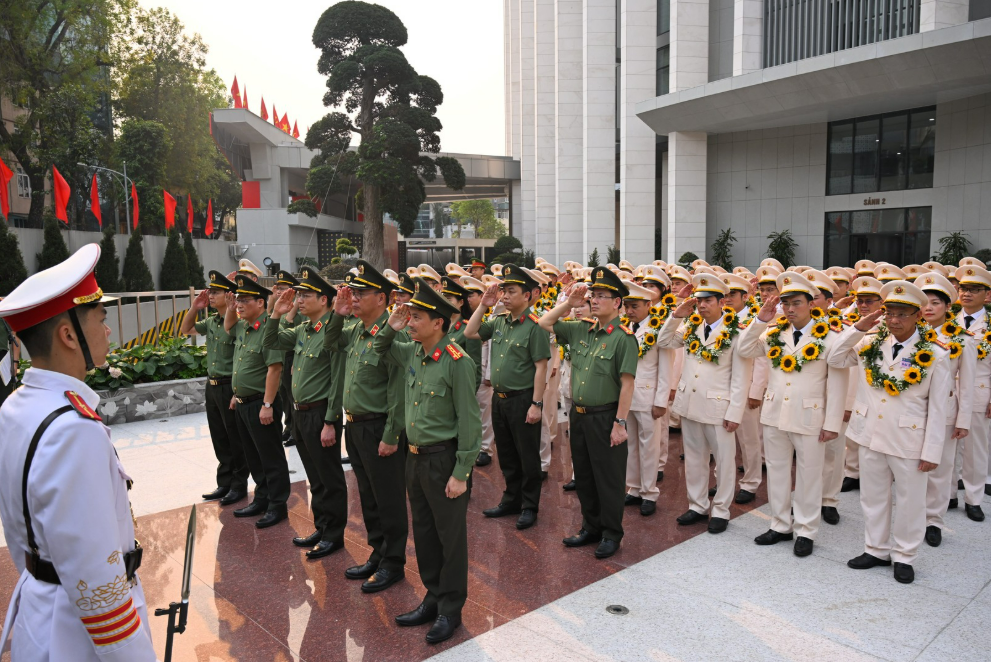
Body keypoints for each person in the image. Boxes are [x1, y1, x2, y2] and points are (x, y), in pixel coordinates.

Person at [0, 243, 156, 660]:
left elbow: (21, 532)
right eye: (100, 319)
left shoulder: (17, 406)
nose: (108, 330)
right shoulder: (72, 429)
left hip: (42, 609)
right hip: (78, 636)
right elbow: (96, 581)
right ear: (68, 335)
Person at [373, 277, 481, 644]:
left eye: (417, 316)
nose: (410, 320)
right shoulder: (411, 352)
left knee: (450, 539)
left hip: (443, 460)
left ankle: (451, 608)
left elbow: (470, 421)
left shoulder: (457, 362)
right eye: (410, 315)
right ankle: (433, 596)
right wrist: (392, 325)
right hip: (414, 460)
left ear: (439, 323)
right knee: (425, 534)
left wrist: (462, 471)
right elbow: (378, 348)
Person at [827, 280, 952, 584]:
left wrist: (932, 451)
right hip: (871, 433)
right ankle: (876, 549)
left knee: (910, 501)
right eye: (889, 312)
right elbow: (834, 357)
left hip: (910, 439)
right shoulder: (870, 341)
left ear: (918, 315)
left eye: (901, 314)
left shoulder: (935, 354)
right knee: (873, 497)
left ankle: (905, 555)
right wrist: (859, 326)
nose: (893, 320)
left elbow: (939, 409)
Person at [737, 272, 848, 557]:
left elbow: (837, 385)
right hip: (775, 414)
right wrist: (761, 319)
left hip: (810, 417)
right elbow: (745, 347)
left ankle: (806, 530)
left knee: (810, 476)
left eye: (796, 302)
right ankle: (780, 524)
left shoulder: (831, 336)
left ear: (811, 304)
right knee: (776, 472)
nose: (789, 308)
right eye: (785, 303)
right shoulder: (773, 333)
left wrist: (833, 422)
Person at [538, 268, 638, 558]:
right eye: (592, 296)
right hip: (579, 415)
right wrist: (570, 303)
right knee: (584, 475)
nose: (593, 301)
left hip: (606, 416)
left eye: (601, 296)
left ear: (617, 302)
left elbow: (627, 384)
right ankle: (590, 527)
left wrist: (620, 423)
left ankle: (611, 533)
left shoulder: (624, 338)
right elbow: (545, 321)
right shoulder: (581, 328)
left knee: (608, 477)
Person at [324, 261, 409, 590]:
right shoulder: (356, 331)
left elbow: (398, 390)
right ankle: (379, 551)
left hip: (379, 428)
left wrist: (391, 435)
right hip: (355, 426)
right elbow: (330, 343)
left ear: (383, 299)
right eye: (353, 293)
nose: (354, 297)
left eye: (361, 293)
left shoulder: (391, 335)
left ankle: (394, 561)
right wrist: (338, 312)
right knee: (368, 495)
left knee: (388, 498)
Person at [657, 273, 753, 534]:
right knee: (695, 459)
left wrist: (735, 411)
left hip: (718, 407)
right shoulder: (690, 326)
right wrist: (677, 314)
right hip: (690, 403)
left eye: (708, 300)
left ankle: (721, 509)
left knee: (723, 460)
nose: (701, 305)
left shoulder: (737, 333)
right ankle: (697, 504)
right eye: (699, 300)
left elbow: (741, 378)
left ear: (723, 302)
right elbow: (663, 340)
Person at [263, 268, 348, 558]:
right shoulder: (302, 330)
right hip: (300, 414)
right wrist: (275, 314)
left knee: (329, 477)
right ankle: (322, 526)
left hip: (321, 412)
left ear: (324, 300)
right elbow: (270, 344)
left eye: (306, 295)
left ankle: (334, 535)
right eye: (298, 295)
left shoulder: (332, 330)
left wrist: (331, 421)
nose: (299, 300)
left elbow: (338, 379)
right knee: (314, 476)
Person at [466, 265, 550, 530]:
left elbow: (541, 367)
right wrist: (483, 306)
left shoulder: (535, 327)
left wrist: (536, 404)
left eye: (511, 291)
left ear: (528, 295)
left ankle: (529, 505)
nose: (505, 296)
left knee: (527, 456)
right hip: (499, 399)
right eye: (504, 291)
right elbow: (470, 332)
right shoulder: (500, 321)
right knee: (507, 454)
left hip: (523, 399)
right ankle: (511, 499)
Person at [223, 277, 291, 529]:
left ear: (261, 303)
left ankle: (277, 504)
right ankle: (261, 498)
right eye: (237, 300)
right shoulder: (243, 326)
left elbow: (274, 369)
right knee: (253, 455)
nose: (239, 304)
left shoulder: (267, 330)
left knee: (270, 456)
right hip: (241, 403)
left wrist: (267, 404)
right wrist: (231, 308)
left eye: (244, 300)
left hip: (261, 404)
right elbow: (227, 326)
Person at [179, 270, 249, 506]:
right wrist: (194, 307)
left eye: (216, 292)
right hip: (213, 385)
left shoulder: (237, 321)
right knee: (219, 436)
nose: (210, 296)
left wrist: (237, 392)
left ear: (228, 295)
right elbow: (185, 329)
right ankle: (225, 482)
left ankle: (239, 485)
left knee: (235, 438)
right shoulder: (210, 322)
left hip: (230, 385)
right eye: (210, 292)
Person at [918, 272, 973, 546]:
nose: (928, 308)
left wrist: (963, 419)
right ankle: (914, 516)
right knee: (913, 467)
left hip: (946, 412)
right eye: (924, 302)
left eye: (936, 302)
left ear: (948, 307)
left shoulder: (962, 338)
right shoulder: (909, 333)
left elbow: (967, 382)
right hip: (912, 412)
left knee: (940, 468)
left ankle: (933, 521)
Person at [620, 282, 669, 516]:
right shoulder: (623, 327)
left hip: (649, 396)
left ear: (648, 305)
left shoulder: (659, 328)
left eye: (635, 306)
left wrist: (661, 400)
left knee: (649, 446)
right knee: (630, 444)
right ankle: (635, 488)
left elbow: (666, 368)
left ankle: (650, 492)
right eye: (627, 306)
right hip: (626, 396)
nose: (630, 311)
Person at [952, 265, 991, 521]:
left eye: (974, 290)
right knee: (947, 448)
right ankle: (948, 494)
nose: (967, 294)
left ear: (987, 295)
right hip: (947, 393)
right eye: (964, 289)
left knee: (975, 449)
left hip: (979, 392)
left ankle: (974, 498)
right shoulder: (947, 322)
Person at [841, 276, 884, 493]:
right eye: (860, 301)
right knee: (851, 432)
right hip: (850, 383)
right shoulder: (850, 323)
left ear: (881, 303)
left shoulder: (889, 327)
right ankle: (852, 471)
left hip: (874, 388)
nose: (863, 306)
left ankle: (869, 473)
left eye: (869, 301)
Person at [271, 270, 300, 447]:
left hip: (292, 356)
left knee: (292, 396)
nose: (280, 291)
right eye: (278, 288)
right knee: (284, 396)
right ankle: (289, 427)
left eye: (284, 288)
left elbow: (301, 338)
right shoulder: (280, 307)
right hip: (281, 356)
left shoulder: (299, 309)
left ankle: (295, 432)